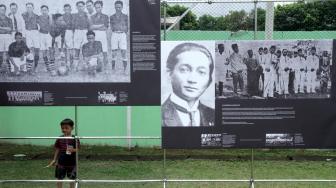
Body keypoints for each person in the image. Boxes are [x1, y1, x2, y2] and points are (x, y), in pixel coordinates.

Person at [162, 43, 215, 127]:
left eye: (201, 72)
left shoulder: (214, 115)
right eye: (184, 70)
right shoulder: (156, 116)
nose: (192, 80)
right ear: (169, 74)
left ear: (209, 81)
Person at [47, 118, 79, 188]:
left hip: (72, 163)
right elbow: (57, 149)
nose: (64, 130)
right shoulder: (60, 138)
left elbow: (78, 148)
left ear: (72, 128)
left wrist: (73, 150)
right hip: (61, 163)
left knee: (72, 179)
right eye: (62, 128)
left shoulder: (75, 138)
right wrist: (54, 160)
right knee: (59, 179)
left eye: (66, 128)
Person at [38, 5, 57, 76]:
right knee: (44, 52)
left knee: (51, 51)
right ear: (41, 11)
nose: (44, 11)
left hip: (49, 35)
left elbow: (53, 26)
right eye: (43, 10)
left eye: (45, 10)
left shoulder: (51, 17)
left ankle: (53, 69)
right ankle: (48, 67)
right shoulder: (38, 17)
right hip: (41, 35)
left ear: (48, 10)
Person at [110, 0, 128, 72]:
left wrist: (122, 29)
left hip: (122, 35)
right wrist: (119, 27)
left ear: (122, 7)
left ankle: (125, 69)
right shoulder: (112, 17)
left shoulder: (125, 16)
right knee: (114, 52)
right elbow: (112, 27)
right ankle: (113, 69)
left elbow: (126, 27)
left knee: (123, 51)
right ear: (114, 7)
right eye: (117, 7)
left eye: (119, 7)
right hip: (114, 34)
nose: (118, 8)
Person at [22, 2, 40, 74]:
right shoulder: (23, 15)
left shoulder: (37, 16)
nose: (29, 8)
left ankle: (35, 67)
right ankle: (29, 68)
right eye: (27, 7)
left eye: (30, 7)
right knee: (29, 51)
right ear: (26, 8)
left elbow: (39, 26)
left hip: (35, 33)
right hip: (27, 33)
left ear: (33, 8)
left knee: (37, 51)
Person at [90, 1, 109, 67]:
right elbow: (91, 27)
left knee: (104, 51)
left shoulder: (105, 16)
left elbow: (105, 27)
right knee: (94, 50)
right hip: (95, 35)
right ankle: (94, 66)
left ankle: (105, 67)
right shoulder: (92, 17)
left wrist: (95, 26)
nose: (97, 9)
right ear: (94, 8)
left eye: (99, 7)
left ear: (102, 7)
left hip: (103, 34)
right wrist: (100, 25)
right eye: (96, 7)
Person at [72, 1, 90, 71]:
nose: (80, 7)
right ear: (76, 7)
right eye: (79, 6)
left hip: (85, 32)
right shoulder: (74, 15)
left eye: (81, 6)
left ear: (84, 7)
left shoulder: (87, 15)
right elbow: (73, 25)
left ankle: (85, 66)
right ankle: (75, 66)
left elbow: (89, 25)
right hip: (77, 32)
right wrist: (75, 32)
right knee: (76, 49)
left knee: (85, 49)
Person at [0, 4, 13, 73]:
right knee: (0, 52)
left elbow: (10, 29)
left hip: (8, 36)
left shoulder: (9, 19)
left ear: (5, 10)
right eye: (1, 9)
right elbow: (7, 29)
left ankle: (9, 68)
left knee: (8, 52)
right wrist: (6, 29)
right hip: (0, 36)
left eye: (3, 9)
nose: (2, 11)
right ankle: (1, 68)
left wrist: (1, 27)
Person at [62, 4, 75, 69]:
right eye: (65, 9)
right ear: (64, 10)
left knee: (70, 49)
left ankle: (71, 64)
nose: (67, 11)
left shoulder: (73, 16)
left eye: (68, 9)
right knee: (64, 49)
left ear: (70, 10)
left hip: (70, 32)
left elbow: (73, 25)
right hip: (62, 32)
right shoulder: (62, 16)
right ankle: (66, 64)